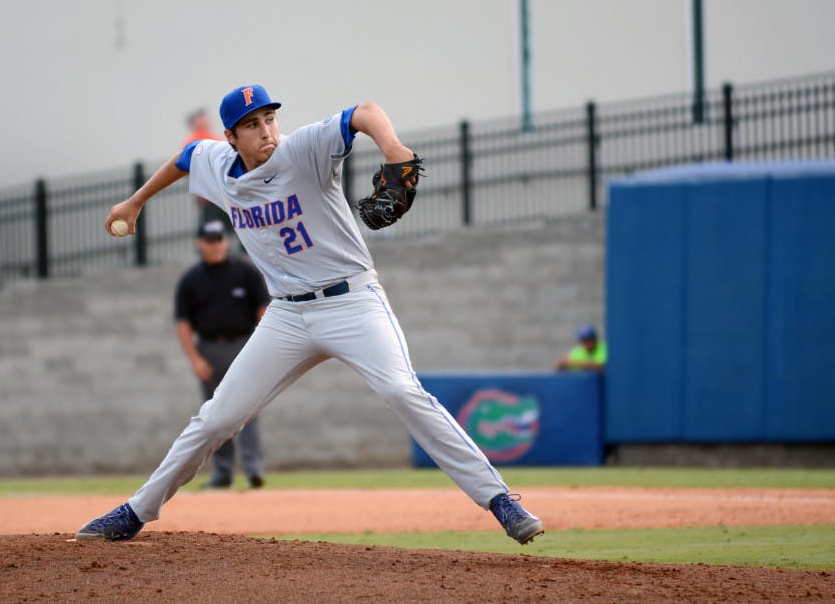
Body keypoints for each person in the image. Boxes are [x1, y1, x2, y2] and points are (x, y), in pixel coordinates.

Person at [77, 84, 544, 545]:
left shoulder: (302, 150)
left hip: (352, 302)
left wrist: (392, 147)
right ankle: (136, 510)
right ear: (231, 137)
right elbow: (186, 157)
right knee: (217, 418)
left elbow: (363, 111)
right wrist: (136, 201)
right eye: (251, 125)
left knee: (402, 390)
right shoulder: (218, 165)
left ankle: (500, 500)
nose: (266, 131)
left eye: (269, 119)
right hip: (286, 315)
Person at [175, 218, 269, 489]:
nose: (215, 245)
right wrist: (195, 358)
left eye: (219, 240)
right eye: (209, 241)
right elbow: (182, 322)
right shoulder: (191, 279)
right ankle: (223, 474)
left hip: (243, 346)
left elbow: (264, 311)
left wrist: (259, 351)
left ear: (225, 241)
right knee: (216, 415)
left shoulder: (245, 272)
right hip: (209, 349)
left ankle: (254, 470)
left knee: (249, 411)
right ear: (199, 243)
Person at [181, 108, 231, 229]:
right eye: (200, 120)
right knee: (213, 229)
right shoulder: (192, 142)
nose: (204, 122)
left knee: (228, 226)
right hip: (209, 196)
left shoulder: (214, 138)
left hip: (223, 191)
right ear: (194, 123)